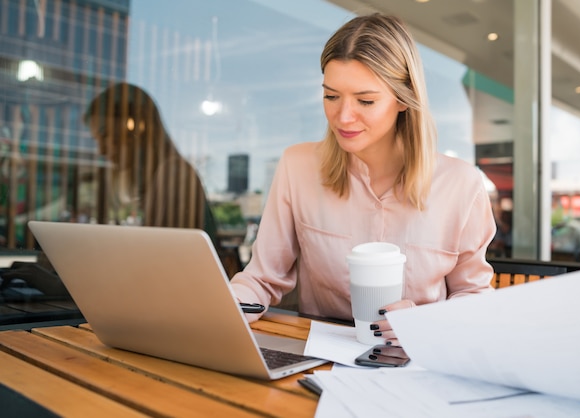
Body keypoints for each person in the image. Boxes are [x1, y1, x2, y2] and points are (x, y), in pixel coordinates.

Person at [230, 13, 496, 345]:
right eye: (331, 96)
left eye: (365, 101)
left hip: (419, 361)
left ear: (403, 99)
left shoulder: (461, 185)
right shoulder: (296, 167)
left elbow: (475, 296)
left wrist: (425, 323)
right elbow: (262, 280)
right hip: (320, 363)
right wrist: (226, 304)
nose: (342, 116)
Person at [83, 82, 218, 242]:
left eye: (105, 135)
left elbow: (163, 256)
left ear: (134, 126)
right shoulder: (161, 176)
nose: (101, 151)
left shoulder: (173, 175)